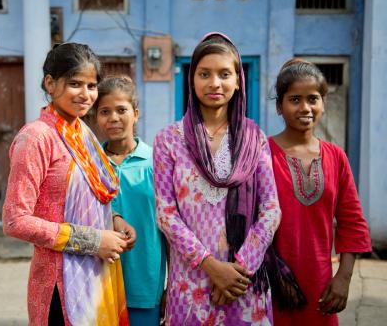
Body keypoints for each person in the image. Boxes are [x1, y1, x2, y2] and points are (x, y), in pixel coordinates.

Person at [153, 32, 281, 325]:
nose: (214, 83)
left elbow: (271, 209)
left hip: (243, 282)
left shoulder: (254, 139)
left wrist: (240, 268)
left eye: (225, 74)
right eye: (204, 74)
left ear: (238, 81)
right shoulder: (169, 140)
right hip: (192, 281)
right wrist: (212, 267)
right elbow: (166, 214)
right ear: (191, 79)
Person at [2, 42, 135, 326]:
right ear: (50, 83)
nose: (86, 95)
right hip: (58, 285)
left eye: (92, 85)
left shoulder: (81, 133)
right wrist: (93, 240)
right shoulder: (37, 138)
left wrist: (113, 221)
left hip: (96, 277)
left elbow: (85, 200)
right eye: (76, 84)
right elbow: (15, 220)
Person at [269, 58, 372, 326]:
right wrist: (273, 275)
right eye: (294, 99)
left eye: (313, 98)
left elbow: (353, 222)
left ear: (323, 103)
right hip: (271, 286)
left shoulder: (336, 157)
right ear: (279, 106)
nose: (305, 107)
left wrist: (343, 278)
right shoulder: (261, 154)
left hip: (321, 288)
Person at [95, 75, 167, 325]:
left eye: (121, 110)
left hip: (145, 284)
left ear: (135, 113)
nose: (113, 118)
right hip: (98, 282)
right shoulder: (90, 164)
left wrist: (172, 284)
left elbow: (171, 229)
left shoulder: (156, 162)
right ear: (96, 117)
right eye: (105, 111)